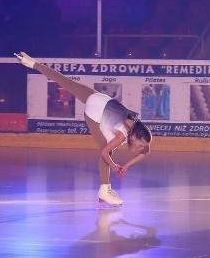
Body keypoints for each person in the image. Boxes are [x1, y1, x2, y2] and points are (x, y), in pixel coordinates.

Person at [14, 52, 151, 206]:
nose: (140, 148)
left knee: (64, 81)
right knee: (107, 149)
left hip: (98, 98)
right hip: (94, 112)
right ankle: (104, 190)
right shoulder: (121, 136)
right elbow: (104, 153)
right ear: (134, 137)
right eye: (139, 145)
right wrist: (113, 165)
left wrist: (125, 166)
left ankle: (31, 62)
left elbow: (146, 151)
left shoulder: (139, 127)